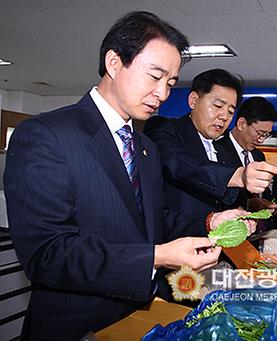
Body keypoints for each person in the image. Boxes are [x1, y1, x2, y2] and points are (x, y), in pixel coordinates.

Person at [3, 12, 254, 340]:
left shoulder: (145, 147)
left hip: (141, 317)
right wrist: (156, 257)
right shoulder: (45, 135)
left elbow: (152, 219)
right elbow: (47, 255)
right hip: (77, 325)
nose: (163, 94)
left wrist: (211, 222)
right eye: (155, 77)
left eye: (170, 83)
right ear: (114, 62)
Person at [144, 70, 277, 239]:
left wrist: (239, 212)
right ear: (194, 101)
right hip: (172, 246)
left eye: (231, 111)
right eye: (217, 106)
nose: (224, 116)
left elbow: (222, 198)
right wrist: (237, 175)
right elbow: (177, 163)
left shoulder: (222, 150)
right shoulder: (164, 128)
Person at [215, 96, 277, 221]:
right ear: (242, 124)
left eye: (266, 135)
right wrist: (250, 204)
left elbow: (263, 195)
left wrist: (275, 205)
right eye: (260, 133)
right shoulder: (216, 151)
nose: (261, 140)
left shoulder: (258, 156)